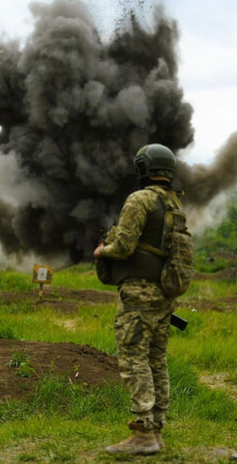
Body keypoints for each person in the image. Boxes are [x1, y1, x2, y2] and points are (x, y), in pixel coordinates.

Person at [93, 143, 184, 455]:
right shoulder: (175, 205)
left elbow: (124, 246)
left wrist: (102, 250)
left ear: (144, 168)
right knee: (157, 360)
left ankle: (142, 432)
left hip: (138, 294)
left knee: (134, 358)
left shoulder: (141, 199)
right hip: (164, 295)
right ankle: (157, 429)